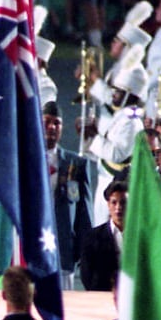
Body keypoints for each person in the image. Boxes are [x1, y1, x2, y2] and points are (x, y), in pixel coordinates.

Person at [43, 103, 94, 281]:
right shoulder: (24, 161)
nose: (51, 127)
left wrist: (85, 251)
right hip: (32, 248)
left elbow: (84, 212)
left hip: (64, 250)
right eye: (47, 121)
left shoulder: (76, 164)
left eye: (57, 123)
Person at [78, 179, 127, 291]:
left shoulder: (140, 236)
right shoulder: (92, 237)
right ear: (108, 205)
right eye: (114, 202)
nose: (118, 208)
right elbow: (87, 275)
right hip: (102, 298)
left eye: (123, 202)